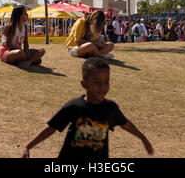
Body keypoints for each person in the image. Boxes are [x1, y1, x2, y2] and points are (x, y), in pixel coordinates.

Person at [21, 58, 154, 159]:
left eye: (106, 82)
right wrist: (28, 146)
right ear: (84, 84)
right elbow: (51, 128)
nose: (103, 87)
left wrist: (143, 139)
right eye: (97, 82)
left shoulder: (110, 108)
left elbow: (126, 124)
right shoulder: (74, 106)